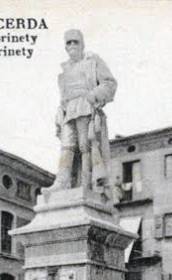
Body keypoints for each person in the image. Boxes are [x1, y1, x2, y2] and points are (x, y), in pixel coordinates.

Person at [44, 29, 120, 201]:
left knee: (86, 146)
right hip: (68, 109)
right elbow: (64, 96)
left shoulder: (93, 61)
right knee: (67, 145)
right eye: (68, 42)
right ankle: (62, 181)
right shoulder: (65, 70)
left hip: (86, 105)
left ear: (82, 44)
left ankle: (86, 183)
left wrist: (94, 95)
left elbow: (110, 83)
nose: (71, 46)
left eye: (75, 42)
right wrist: (59, 111)